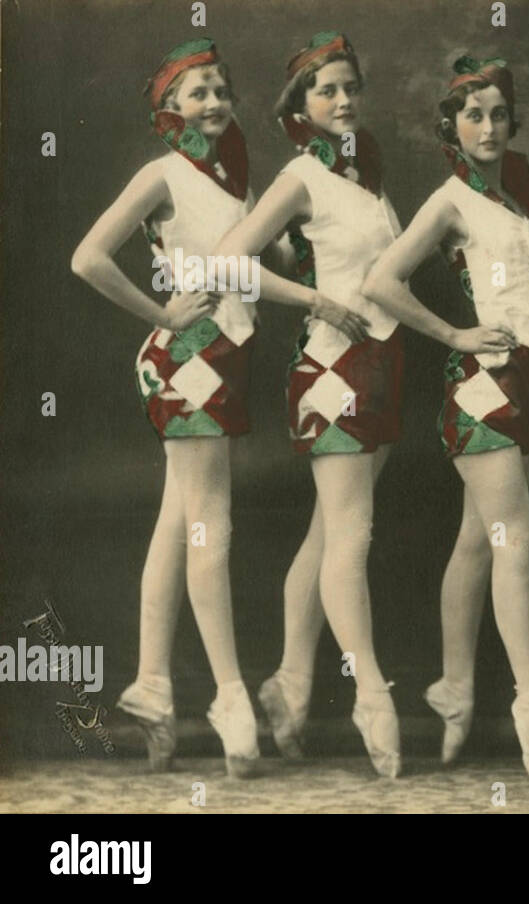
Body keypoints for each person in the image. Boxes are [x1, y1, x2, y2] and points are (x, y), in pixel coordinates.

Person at [71, 39, 264, 777]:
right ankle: (229, 696)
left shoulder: (229, 180)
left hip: (222, 357)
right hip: (187, 358)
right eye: (197, 93)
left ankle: (153, 684)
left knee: (178, 520)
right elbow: (88, 257)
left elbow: (239, 266)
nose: (214, 102)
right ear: (168, 111)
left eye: (221, 90)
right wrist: (165, 312)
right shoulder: (163, 173)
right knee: (211, 524)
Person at [213, 31, 404, 777]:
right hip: (331, 367)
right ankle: (372, 700)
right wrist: (314, 297)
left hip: (383, 362)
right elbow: (229, 260)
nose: (344, 99)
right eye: (327, 90)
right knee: (351, 536)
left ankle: (291, 687)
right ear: (300, 107)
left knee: (330, 535)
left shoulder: (366, 177)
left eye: (351, 87)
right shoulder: (301, 175)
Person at [361, 56, 529, 777]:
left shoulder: (515, 201)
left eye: (499, 112)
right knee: (516, 542)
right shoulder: (450, 199)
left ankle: (454, 687)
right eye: (473, 114)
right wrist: (454, 334)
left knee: (479, 543)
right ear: (451, 125)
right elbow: (380, 281)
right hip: (482, 390)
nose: (489, 125)